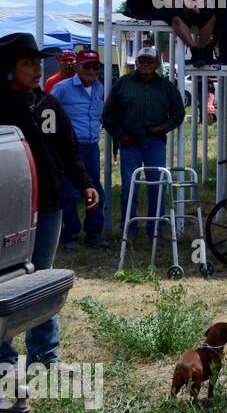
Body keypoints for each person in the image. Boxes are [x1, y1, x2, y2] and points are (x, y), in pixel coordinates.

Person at [0, 33, 98, 371]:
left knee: (42, 277)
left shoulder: (49, 105)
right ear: (8, 69)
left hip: (50, 202)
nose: (37, 69)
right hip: (9, 207)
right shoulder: (1, 105)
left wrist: (85, 183)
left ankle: (45, 354)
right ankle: (4, 358)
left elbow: (69, 150)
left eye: (39, 62)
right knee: (8, 282)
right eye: (27, 63)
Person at [101, 46, 184, 234]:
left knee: (157, 184)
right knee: (129, 187)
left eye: (150, 61)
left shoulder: (167, 86)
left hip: (155, 141)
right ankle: (129, 228)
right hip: (129, 142)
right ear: (136, 63)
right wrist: (121, 135)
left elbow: (178, 114)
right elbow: (108, 115)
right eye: (142, 61)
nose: (145, 64)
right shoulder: (123, 83)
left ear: (156, 63)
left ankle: (155, 227)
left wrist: (163, 128)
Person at [51, 50, 106, 248]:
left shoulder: (100, 88)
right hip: (70, 148)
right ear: (77, 67)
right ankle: (70, 234)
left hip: (92, 146)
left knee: (95, 190)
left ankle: (94, 234)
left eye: (95, 66)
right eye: (87, 66)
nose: (91, 70)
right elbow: (48, 112)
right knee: (71, 193)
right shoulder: (62, 88)